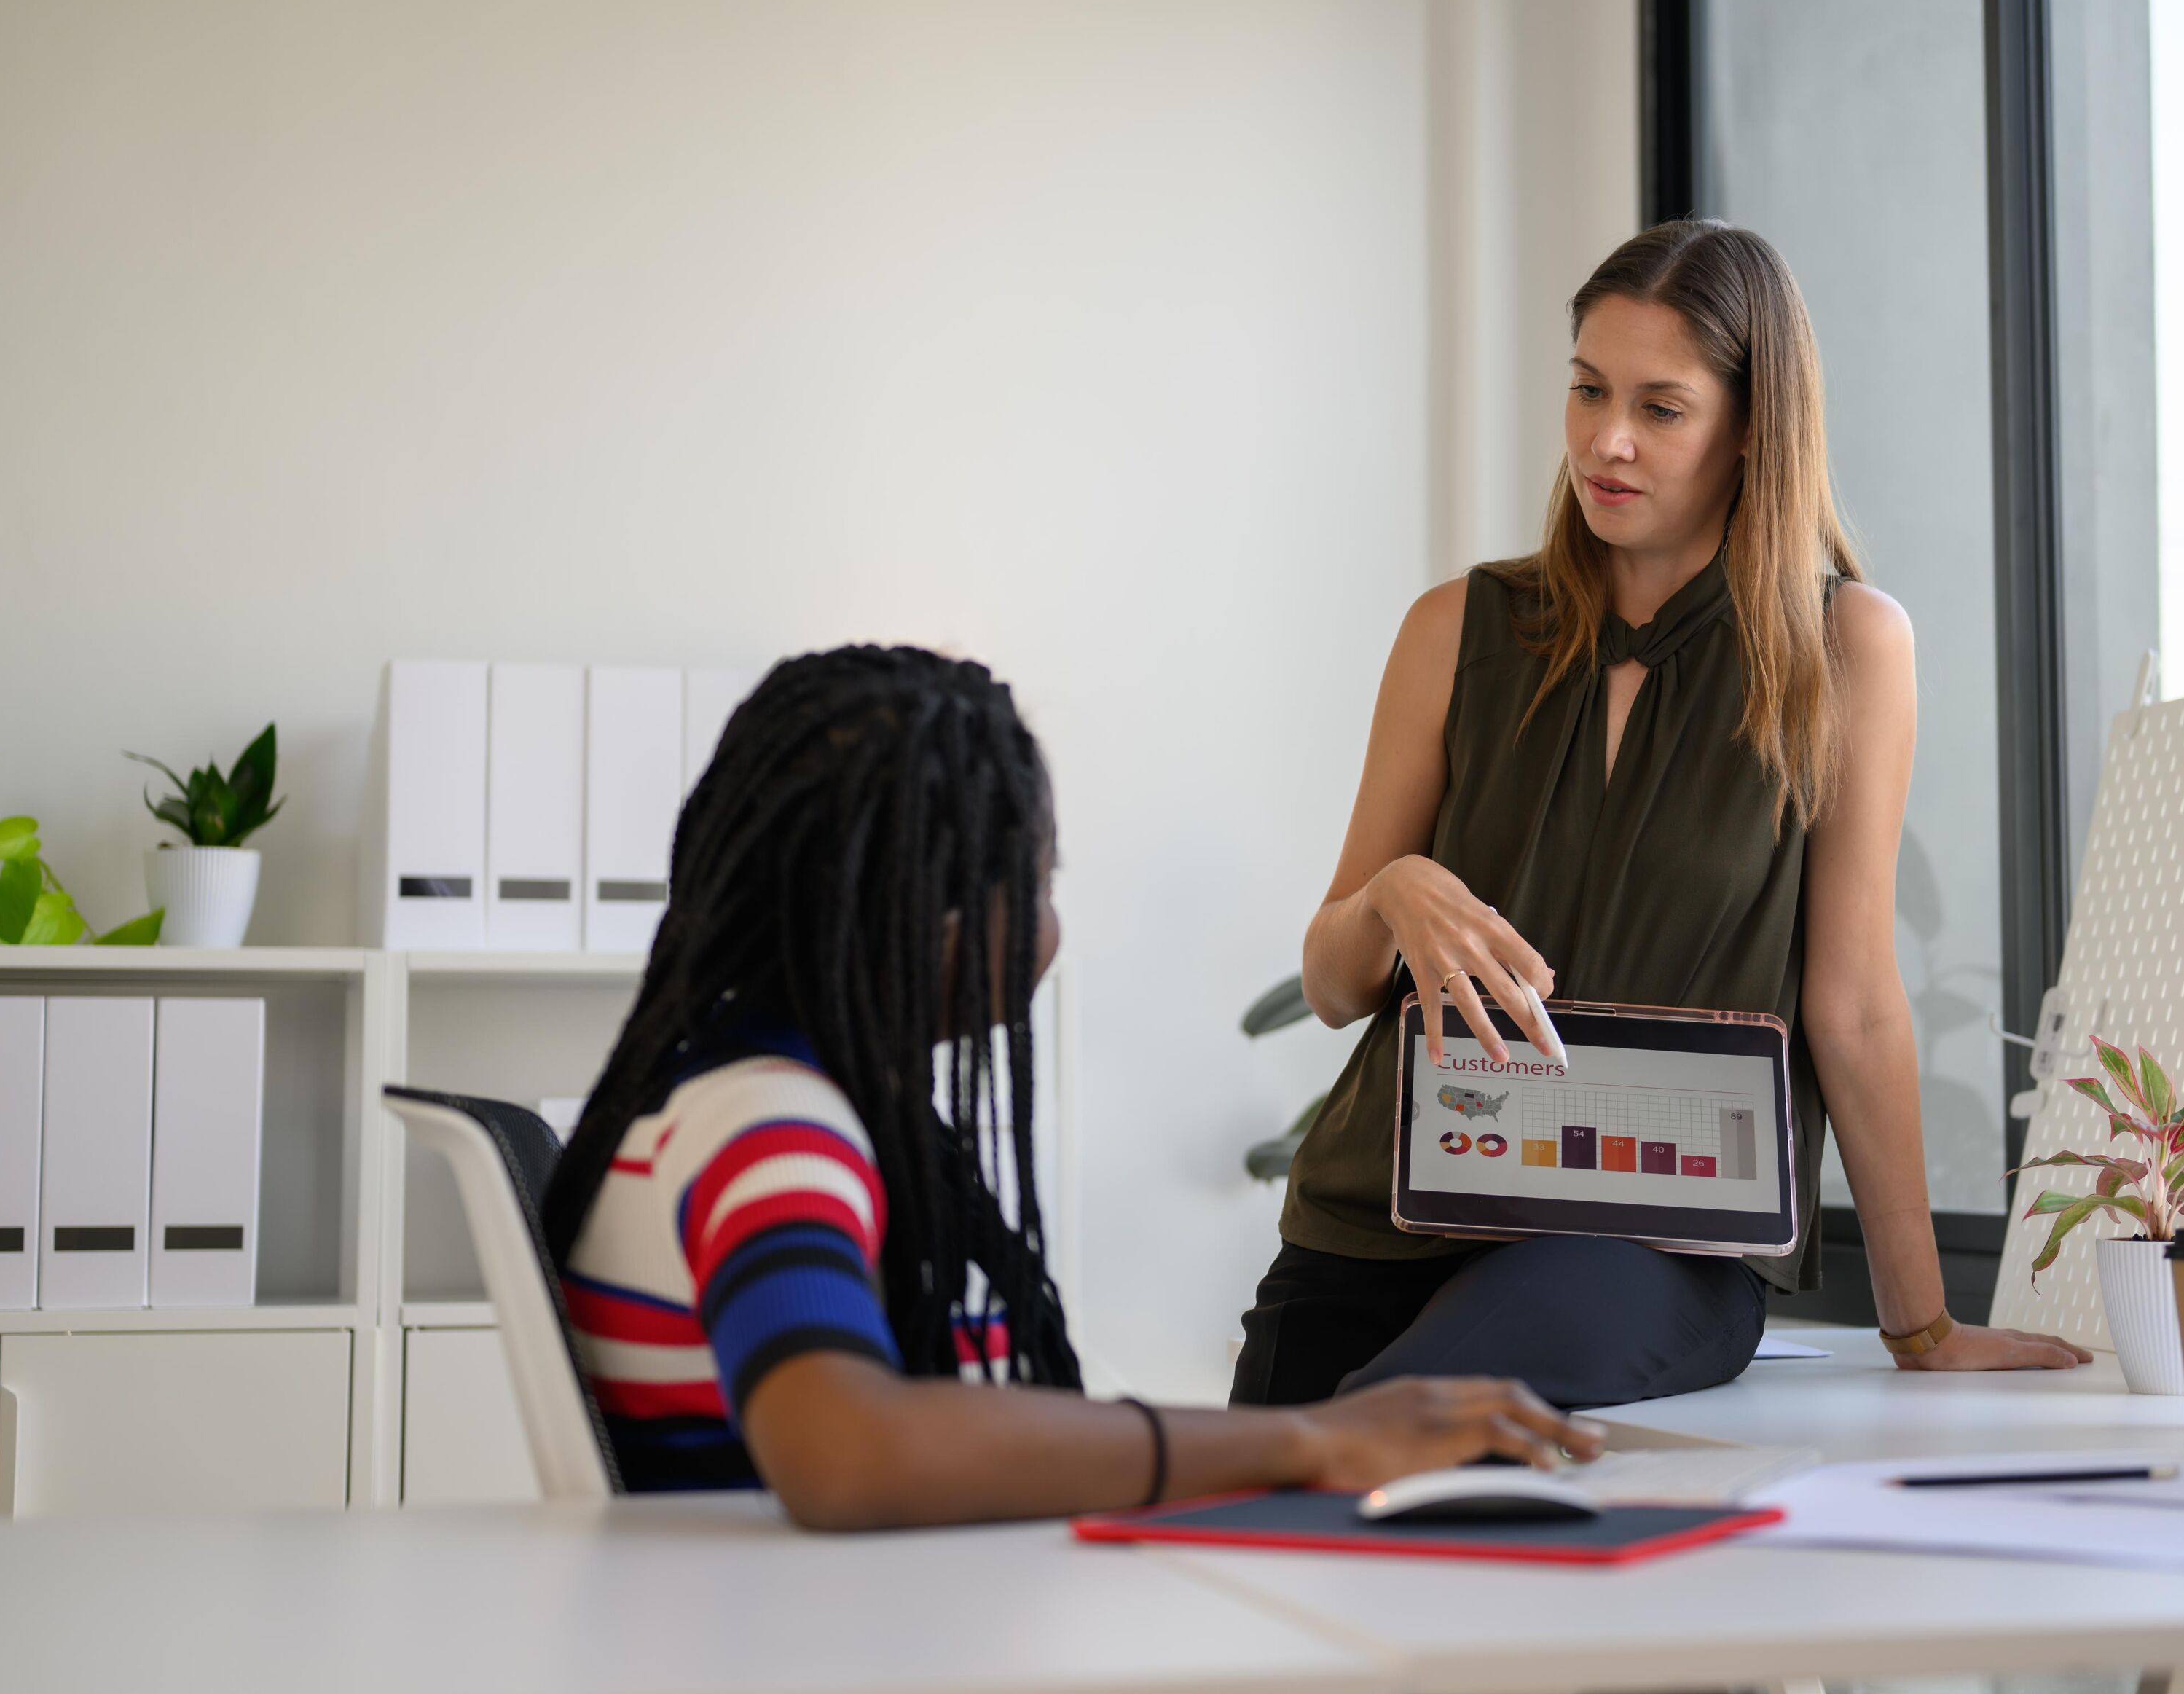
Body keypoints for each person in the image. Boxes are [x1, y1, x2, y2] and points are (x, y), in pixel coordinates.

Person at [1235, 220, 2090, 1410]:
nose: (1608, 441)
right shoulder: (1454, 630)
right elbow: (1333, 987)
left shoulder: (1847, 650)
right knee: (1263, 1534)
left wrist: (1924, 1324)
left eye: (1662, 407)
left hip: (1645, 1247)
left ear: (1753, 430)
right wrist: (1394, 892)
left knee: (1384, 1435)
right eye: (1588, 391)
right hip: (1375, 1216)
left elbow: (1850, 1006)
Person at [541, 646, 1603, 1529]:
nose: (1051, 925)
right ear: (923, 911)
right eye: (1036, 881)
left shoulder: (752, 1094)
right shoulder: (768, 1124)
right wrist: (1308, 1437)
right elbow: (846, 1452)